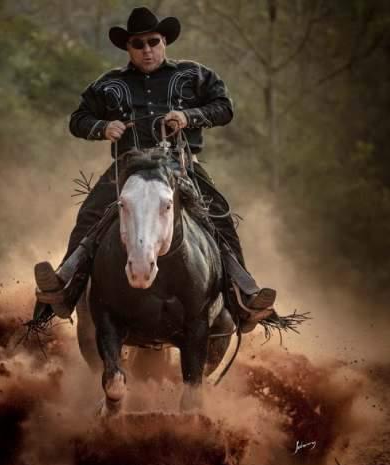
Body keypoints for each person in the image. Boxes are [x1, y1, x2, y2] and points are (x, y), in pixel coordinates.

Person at [34, 7, 276, 332]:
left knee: (219, 217)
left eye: (153, 42)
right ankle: (63, 290)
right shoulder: (109, 84)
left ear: (164, 42)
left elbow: (225, 107)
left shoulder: (194, 75)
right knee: (89, 218)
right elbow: (78, 120)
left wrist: (189, 117)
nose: (147, 50)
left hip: (182, 166)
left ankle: (242, 299)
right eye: (139, 44)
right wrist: (103, 127)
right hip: (127, 169)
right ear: (128, 48)